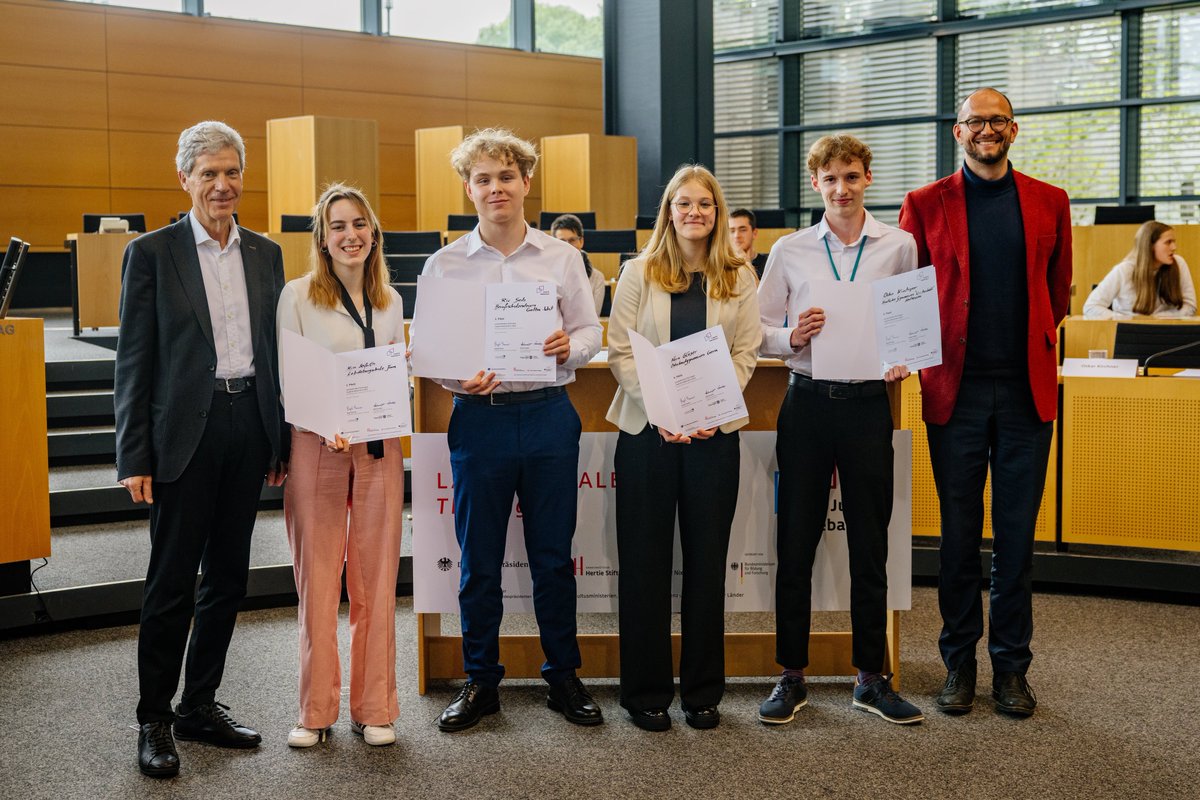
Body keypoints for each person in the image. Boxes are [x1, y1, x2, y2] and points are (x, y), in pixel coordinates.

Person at [410, 128, 605, 732]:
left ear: (526, 182)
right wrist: (453, 380)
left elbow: (591, 333)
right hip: (480, 421)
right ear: (469, 189)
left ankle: (562, 676)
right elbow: (427, 353)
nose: (496, 188)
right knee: (479, 562)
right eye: (483, 179)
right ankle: (480, 681)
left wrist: (566, 346)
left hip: (548, 414)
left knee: (552, 557)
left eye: (506, 176)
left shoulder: (561, 258)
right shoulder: (444, 264)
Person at [115, 120, 288, 778]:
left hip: (248, 424)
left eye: (232, 172)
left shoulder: (266, 254)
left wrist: (276, 434)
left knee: (228, 578)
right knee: (171, 582)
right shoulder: (152, 253)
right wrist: (134, 455)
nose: (222, 185)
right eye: (208, 173)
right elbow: (134, 360)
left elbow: (272, 353)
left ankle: (200, 704)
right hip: (183, 433)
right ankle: (154, 718)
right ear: (184, 179)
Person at [899, 88, 1072, 717]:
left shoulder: (1051, 201)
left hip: (1028, 394)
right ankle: (958, 664)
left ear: (1014, 130)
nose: (987, 130)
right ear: (957, 132)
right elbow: (909, 292)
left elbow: (1060, 292)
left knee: (1018, 542)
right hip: (956, 392)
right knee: (958, 540)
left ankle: (1011, 670)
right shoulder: (923, 204)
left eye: (997, 121)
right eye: (976, 121)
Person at [757, 135, 923, 726]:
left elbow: (909, 323)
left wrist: (904, 355)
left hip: (867, 405)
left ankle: (870, 677)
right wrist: (791, 337)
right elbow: (757, 331)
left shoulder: (898, 245)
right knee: (796, 541)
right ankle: (790, 674)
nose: (841, 189)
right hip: (806, 402)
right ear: (816, 184)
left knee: (870, 546)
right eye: (830, 179)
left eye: (851, 177)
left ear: (868, 178)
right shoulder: (791, 250)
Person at [606, 165, 761, 732]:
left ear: (717, 214)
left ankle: (701, 692)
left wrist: (706, 411)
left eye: (706, 204)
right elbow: (620, 351)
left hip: (713, 438)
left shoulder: (739, 275)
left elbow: (746, 353)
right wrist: (664, 413)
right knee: (644, 566)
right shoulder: (638, 272)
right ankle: (644, 693)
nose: (695, 212)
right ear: (668, 210)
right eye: (684, 203)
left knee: (705, 567)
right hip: (648, 436)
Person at [276, 184, 406, 748]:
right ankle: (315, 710)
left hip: (378, 445)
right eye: (337, 226)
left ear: (373, 233)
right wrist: (321, 418)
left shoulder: (391, 299)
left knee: (376, 577)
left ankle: (374, 706)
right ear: (322, 240)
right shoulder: (298, 295)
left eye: (359, 224)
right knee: (320, 580)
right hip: (317, 444)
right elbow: (289, 377)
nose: (349, 235)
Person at [1083, 220, 1196, 319]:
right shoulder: (1124, 270)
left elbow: (1190, 305)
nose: (1174, 247)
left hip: (1167, 332)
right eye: (1168, 242)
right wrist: (1126, 320)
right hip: (1129, 334)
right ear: (1150, 245)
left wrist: (1160, 319)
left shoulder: (1178, 263)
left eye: (1174, 242)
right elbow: (1091, 307)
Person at [551, 213, 607, 315]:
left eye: (572, 240)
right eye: (562, 241)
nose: (568, 246)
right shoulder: (546, 275)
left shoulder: (597, 278)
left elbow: (592, 318)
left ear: (581, 241)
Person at [730, 208, 769, 277]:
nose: (737, 236)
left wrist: (748, 265)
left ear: (754, 233)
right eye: (732, 231)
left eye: (743, 230)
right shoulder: (722, 266)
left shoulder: (769, 264)